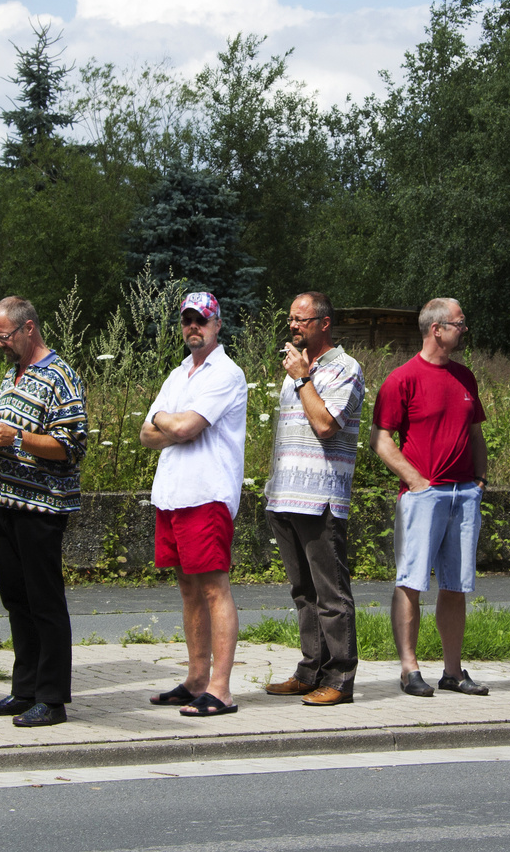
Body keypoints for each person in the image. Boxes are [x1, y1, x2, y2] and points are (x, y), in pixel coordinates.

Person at [0, 296, 87, 728]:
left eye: (3, 336)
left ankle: (52, 698)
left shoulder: (61, 376)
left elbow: (71, 447)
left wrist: (20, 437)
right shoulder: (13, 374)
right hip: (5, 500)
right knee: (16, 600)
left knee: (44, 601)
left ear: (28, 329)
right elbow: (5, 439)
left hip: (41, 505)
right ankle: (24, 690)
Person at [370, 297, 491, 697]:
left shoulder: (464, 377)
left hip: (464, 495)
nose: (464, 328)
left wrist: (480, 480)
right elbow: (381, 440)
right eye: (459, 322)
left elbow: (475, 433)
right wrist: (415, 480)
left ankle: (453, 671)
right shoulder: (401, 379)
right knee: (411, 582)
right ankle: (409, 668)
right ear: (436, 329)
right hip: (424, 495)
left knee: (456, 585)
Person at [140, 292, 249, 717]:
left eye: (200, 320)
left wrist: (168, 420)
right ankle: (196, 679)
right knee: (188, 589)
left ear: (217, 324)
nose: (193, 327)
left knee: (213, 588)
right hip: (172, 494)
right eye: (187, 320)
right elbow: (144, 434)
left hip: (207, 494)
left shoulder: (227, 373)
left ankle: (220, 689)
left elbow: (180, 426)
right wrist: (173, 424)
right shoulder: (179, 373)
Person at [262, 292, 366, 706]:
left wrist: (304, 378)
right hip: (285, 495)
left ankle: (340, 679)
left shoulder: (345, 368)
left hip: (319, 499)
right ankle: (311, 669)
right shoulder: (295, 370)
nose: (293, 326)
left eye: (302, 320)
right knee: (302, 591)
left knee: (330, 592)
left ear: (324, 323)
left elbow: (325, 425)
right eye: (291, 318)